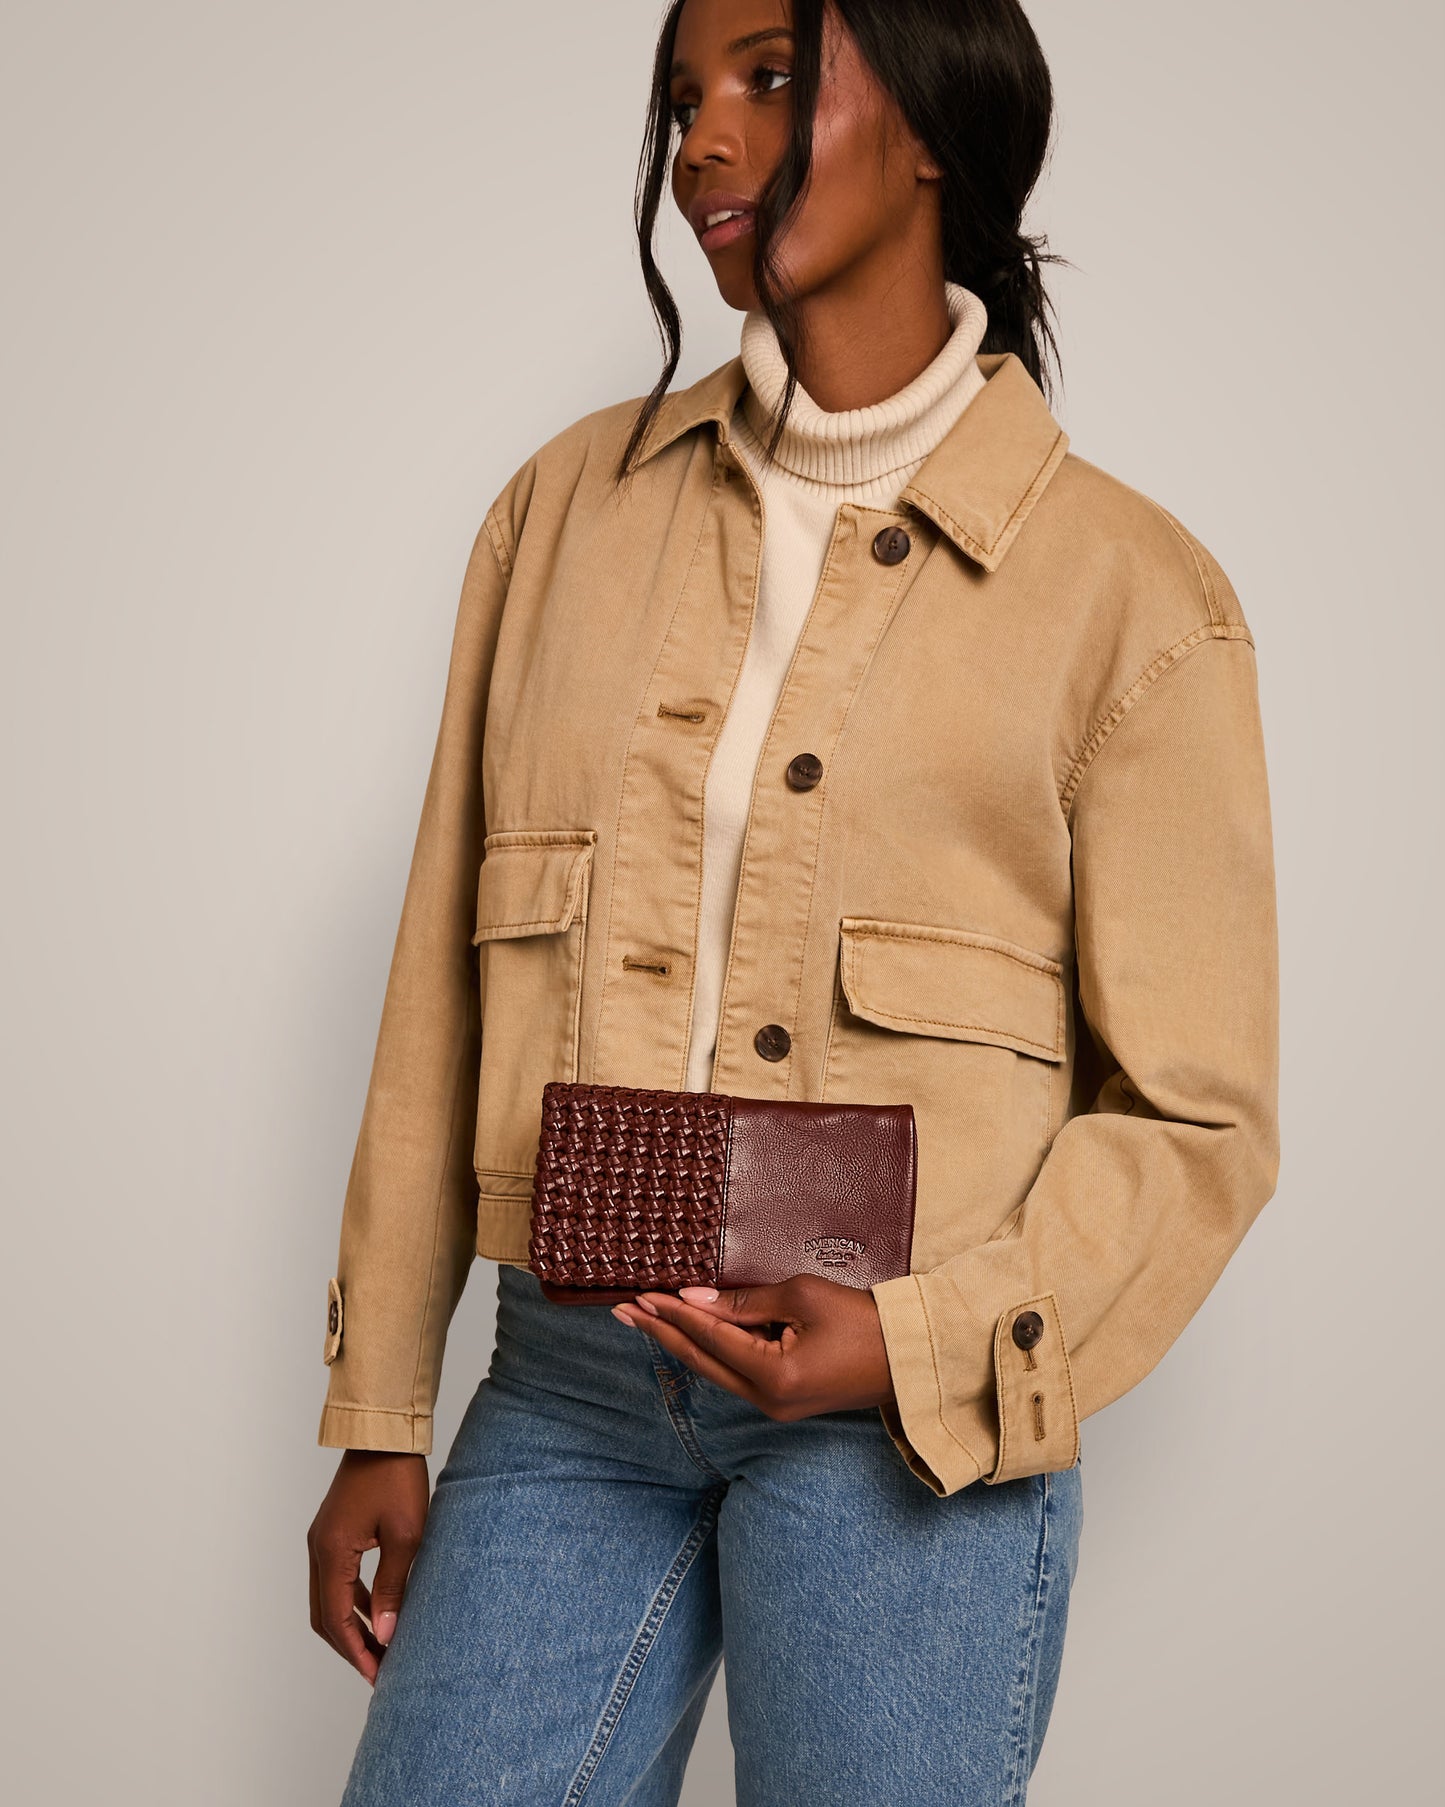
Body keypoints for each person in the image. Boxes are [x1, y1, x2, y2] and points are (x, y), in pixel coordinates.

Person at [307, 1, 1281, 1801]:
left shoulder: (1130, 597)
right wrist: (378, 1411)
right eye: (680, 96)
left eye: (766, 76)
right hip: (567, 1384)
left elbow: (1195, 1121)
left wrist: (909, 1349)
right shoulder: (562, 517)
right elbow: (436, 986)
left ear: (929, 123)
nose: (696, 140)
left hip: (904, 1422)